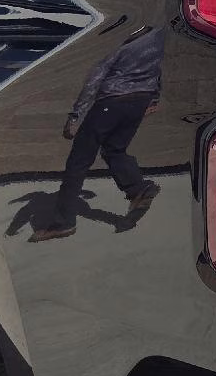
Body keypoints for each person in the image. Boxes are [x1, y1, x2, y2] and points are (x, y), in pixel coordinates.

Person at [31, 26, 165, 242]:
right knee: (114, 149)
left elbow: (95, 79)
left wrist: (75, 116)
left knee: (78, 162)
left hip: (112, 101)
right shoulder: (158, 34)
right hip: (140, 100)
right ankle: (139, 188)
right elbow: (156, 66)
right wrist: (155, 97)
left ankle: (63, 223)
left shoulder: (115, 37)